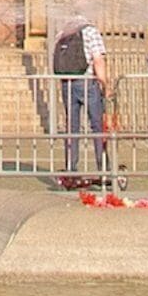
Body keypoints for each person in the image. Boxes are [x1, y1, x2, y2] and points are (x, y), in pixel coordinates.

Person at [50, 15, 108, 185]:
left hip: (67, 83)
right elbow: (98, 60)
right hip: (88, 83)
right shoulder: (91, 31)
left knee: (71, 127)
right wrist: (105, 83)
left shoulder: (63, 33)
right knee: (97, 125)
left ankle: (71, 168)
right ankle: (103, 167)